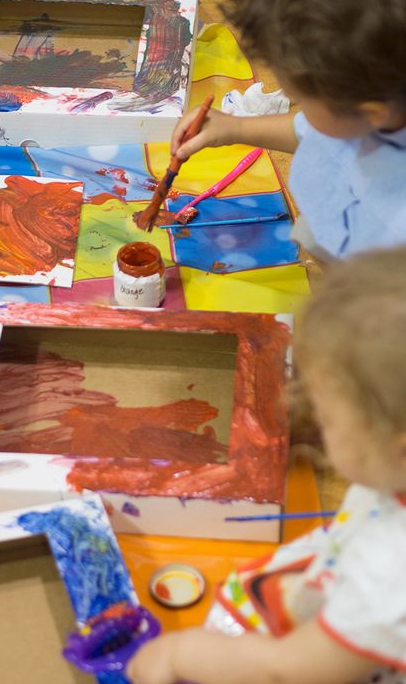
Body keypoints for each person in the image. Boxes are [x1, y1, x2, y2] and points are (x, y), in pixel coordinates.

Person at [127, 245, 406, 684]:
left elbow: (285, 671)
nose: (313, 422)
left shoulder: (389, 575)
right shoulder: (390, 475)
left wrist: (181, 653)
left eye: (326, 418)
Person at [171, 0, 406, 262]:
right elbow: (315, 132)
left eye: (303, 100)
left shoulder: (395, 227)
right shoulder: (368, 108)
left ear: (371, 113)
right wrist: (234, 128)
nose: (297, 106)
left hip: (371, 273)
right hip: (334, 219)